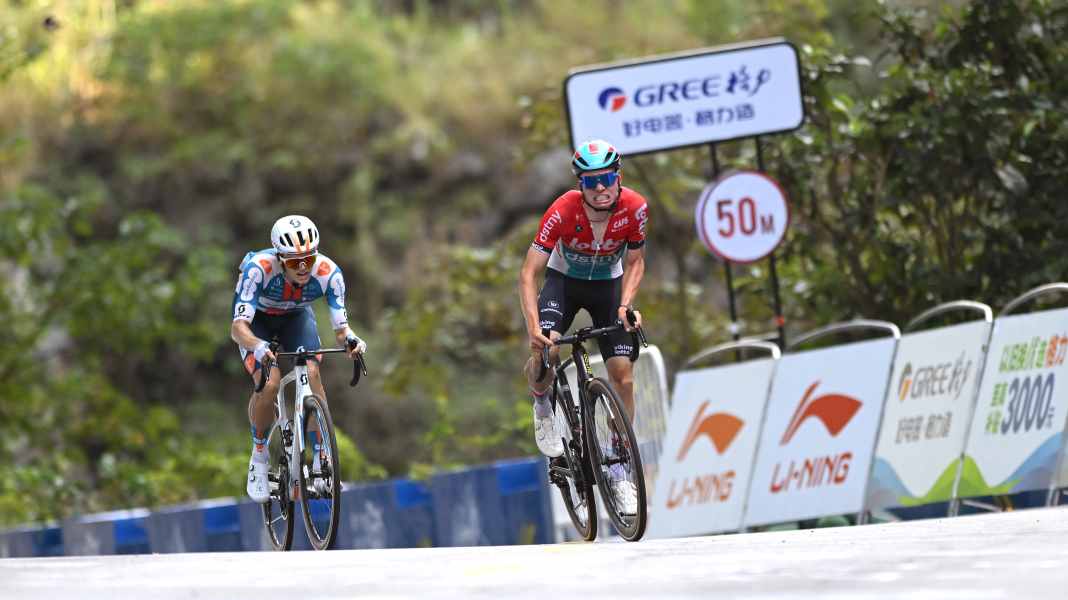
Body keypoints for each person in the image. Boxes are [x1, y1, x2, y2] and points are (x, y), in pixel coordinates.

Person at [518, 139, 648, 513]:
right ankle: (542, 402)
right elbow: (529, 273)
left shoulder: (635, 207)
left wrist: (626, 305)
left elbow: (636, 261)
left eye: (607, 178)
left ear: (617, 176)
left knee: (623, 375)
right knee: (548, 348)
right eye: (592, 182)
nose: (602, 187)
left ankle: (620, 467)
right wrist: (532, 329)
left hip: (609, 287)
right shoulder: (562, 209)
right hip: (564, 283)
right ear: (581, 185)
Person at [230, 215, 367, 503]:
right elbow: (238, 328)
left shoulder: (329, 273)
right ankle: (259, 455)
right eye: (294, 262)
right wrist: (256, 346)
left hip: (296, 318)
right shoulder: (259, 270)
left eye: (308, 259)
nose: (303, 268)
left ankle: (320, 458)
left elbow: (342, 330)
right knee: (270, 383)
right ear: (280, 259)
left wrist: (352, 340)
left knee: (313, 372)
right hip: (258, 323)